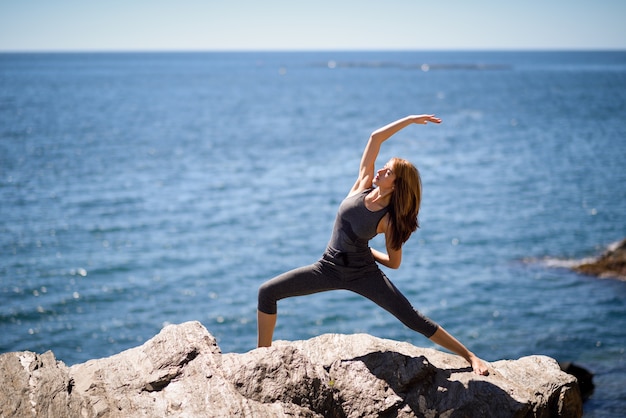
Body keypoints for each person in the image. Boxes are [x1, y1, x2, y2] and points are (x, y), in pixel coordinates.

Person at [257, 114, 489, 375]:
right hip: (327, 268)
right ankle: (262, 359)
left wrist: (368, 253)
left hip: (363, 275)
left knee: (412, 318)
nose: (380, 170)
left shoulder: (389, 221)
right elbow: (375, 138)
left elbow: (394, 263)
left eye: (387, 171)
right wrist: (410, 120)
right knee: (268, 292)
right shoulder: (363, 184)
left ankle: (470, 355)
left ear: (396, 185)